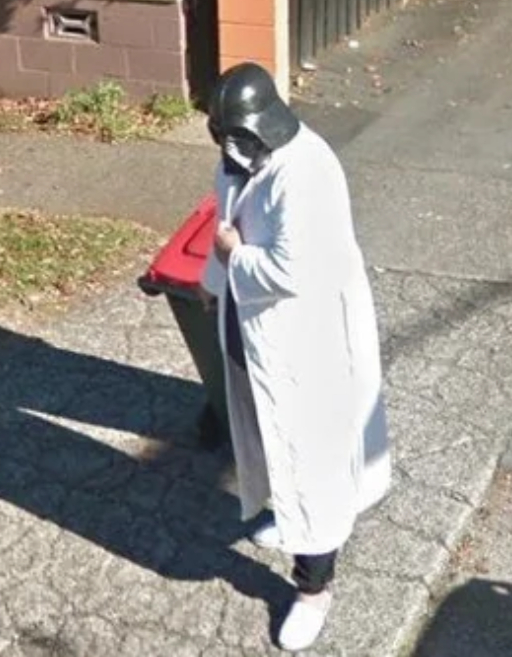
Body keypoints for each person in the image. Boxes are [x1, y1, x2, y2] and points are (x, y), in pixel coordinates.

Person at [196, 62, 392, 652]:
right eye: (225, 136)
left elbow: (293, 270)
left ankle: (314, 589)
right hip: (254, 336)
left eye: (242, 136)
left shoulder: (308, 172)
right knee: (271, 441)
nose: (232, 149)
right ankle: (289, 513)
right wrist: (213, 280)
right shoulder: (237, 163)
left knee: (314, 463)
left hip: (306, 345)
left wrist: (232, 259)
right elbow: (222, 224)